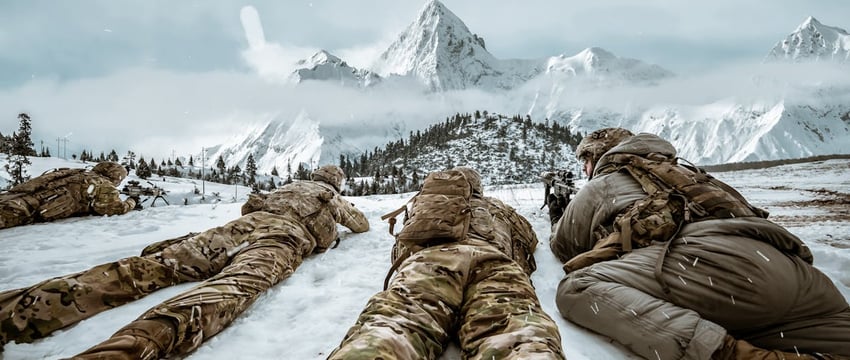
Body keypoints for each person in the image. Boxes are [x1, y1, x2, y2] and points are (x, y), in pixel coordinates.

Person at [0, 165, 369, 359]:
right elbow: (361, 224)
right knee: (234, 286)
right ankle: (131, 348)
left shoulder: (285, 187)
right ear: (335, 183)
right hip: (281, 239)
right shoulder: (327, 195)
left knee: (152, 267)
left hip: (237, 228)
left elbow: (249, 206)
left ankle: (18, 312)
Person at [549, 128, 850, 359]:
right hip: (792, 271)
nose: (584, 171)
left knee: (577, 287)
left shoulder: (606, 182)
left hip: (717, 270)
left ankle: (733, 354)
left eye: (585, 162)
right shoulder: (693, 175)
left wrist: (558, 210)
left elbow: (564, 245)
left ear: (599, 157)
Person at [330, 166, 565, 360]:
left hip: (430, 263)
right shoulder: (497, 207)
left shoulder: (428, 205)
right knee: (517, 332)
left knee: (394, 325)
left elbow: (403, 247)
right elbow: (530, 240)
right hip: (494, 265)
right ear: (478, 188)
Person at [0, 161, 137, 230]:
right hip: (24, 209)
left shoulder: (78, 173)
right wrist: (132, 201)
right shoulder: (103, 184)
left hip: (13, 197)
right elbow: (113, 208)